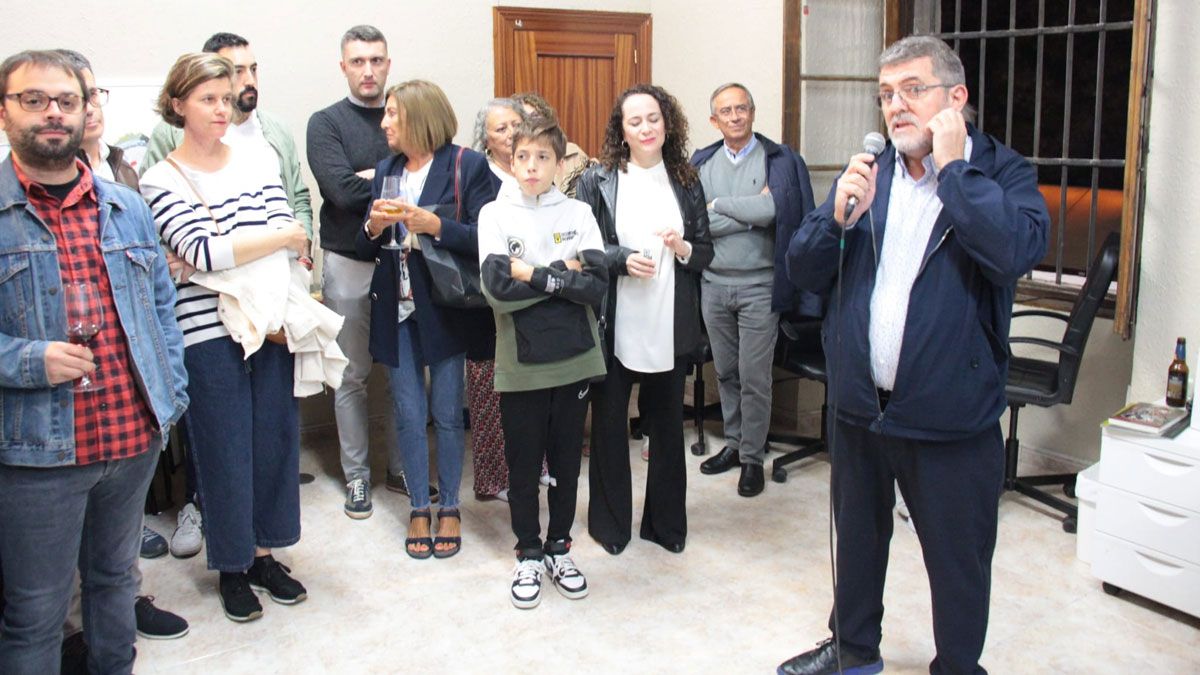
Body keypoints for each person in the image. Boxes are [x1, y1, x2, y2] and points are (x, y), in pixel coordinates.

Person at [778, 36, 1049, 675]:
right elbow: (803, 271)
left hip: (950, 415)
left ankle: (957, 665)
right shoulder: (872, 174)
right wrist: (835, 219)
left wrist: (957, 172)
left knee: (957, 559)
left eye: (912, 90)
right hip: (860, 408)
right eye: (886, 95)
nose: (895, 107)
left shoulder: (1003, 175)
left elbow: (1013, 252)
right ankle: (852, 650)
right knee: (860, 545)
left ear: (956, 99)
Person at [0, 49, 188, 674]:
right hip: (37, 454)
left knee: (115, 587)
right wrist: (29, 360)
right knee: (36, 613)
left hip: (131, 440)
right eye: (34, 100)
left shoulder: (125, 206)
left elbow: (162, 310)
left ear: (86, 111)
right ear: (5, 114)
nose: (53, 112)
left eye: (68, 100)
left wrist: (172, 394)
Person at [140, 52, 311, 623]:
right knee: (223, 449)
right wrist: (267, 238)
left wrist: (254, 248)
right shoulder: (160, 178)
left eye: (225, 96)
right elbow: (202, 251)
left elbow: (286, 239)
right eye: (206, 99)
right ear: (177, 105)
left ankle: (265, 554)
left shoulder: (258, 158)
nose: (221, 108)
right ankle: (233, 566)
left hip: (268, 320)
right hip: (205, 331)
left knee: (274, 441)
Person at [56, 47, 190, 643]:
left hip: (127, 379)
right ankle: (70, 630)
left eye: (91, 95)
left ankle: (122, 605)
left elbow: (155, 288)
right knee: (56, 557)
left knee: (116, 532)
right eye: (67, 98)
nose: (85, 109)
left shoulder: (123, 173)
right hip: (60, 392)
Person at [357, 80, 498, 559]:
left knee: (446, 412)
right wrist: (374, 225)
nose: (385, 123)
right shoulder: (386, 169)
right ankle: (420, 505)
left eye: (393, 113)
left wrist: (434, 225)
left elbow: (488, 236)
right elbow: (367, 243)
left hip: (445, 306)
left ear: (418, 117)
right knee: (408, 412)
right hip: (394, 306)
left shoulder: (467, 165)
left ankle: (451, 507)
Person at [307, 25, 438, 518]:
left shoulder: (406, 117)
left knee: (404, 371)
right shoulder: (326, 124)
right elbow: (340, 191)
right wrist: (388, 178)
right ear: (343, 66)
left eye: (377, 60)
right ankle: (358, 477)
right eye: (358, 61)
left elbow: (427, 180)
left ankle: (401, 468)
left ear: (388, 63)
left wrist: (371, 179)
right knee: (353, 375)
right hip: (349, 261)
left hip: (404, 259)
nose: (368, 70)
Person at [576, 83, 713, 555]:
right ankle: (610, 527)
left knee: (668, 429)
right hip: (616, 321)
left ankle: (666, 526)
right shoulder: (599, 180)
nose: (645, 127)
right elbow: (585, 250)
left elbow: (705, 253)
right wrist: (620, 259)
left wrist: (683, 248)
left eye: (653, 118)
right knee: (610, 428)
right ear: (622, 129)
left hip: (669, 322)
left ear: (667, 123)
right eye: (634, 121)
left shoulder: (686, 179)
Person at [478, 119, 608, 608]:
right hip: (520, 361)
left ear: (560, 162)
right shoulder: (494, 214)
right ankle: (529, 552)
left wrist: (531, 273)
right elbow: (497, 292)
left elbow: (596, 286)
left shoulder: (577, 211)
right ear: (511, 162)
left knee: (568, 461)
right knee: (524, 461)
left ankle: (559, 546)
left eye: (543, 158)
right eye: (522, 157)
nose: (532, 167)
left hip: (574, 359)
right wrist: (562, 276)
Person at [690, 83, 817, 497]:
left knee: (755, 376)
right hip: (714, 285)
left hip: (760, 287)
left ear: (752, 112)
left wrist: (722, 206)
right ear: (714, 120)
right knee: (725, 372)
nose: (734, 116)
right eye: (725, 111)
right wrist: (750, 212)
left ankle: (751, 458)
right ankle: (733, 443)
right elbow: (698, 227)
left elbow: (776, 210)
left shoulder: (778, 161)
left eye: (741, 108)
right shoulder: (702, 163)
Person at [141, 32, 312, 238]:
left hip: (275, 262)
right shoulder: (171, 134)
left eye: (254, 69)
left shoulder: (277, 130)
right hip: (201, 260)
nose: (250, 80)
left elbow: (297, 198)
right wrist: (176, 256)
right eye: (237, 71)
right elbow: (150, 210)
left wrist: (303, 253)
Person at [465, 97, 525, 502]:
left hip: (530, 294)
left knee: (527, 387)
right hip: (484, 296)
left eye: (516, 125)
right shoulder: (476, 174)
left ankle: (531, 465)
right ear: (484, 138)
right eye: (501, 128)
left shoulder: (532, 168)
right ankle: (491, 477)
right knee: (489, 387)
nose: (510, 134)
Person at [509, 91, 592, 198]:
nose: (530, 125)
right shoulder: (498, 162)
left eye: (534, 118)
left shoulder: (572, 154)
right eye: (521, 121)